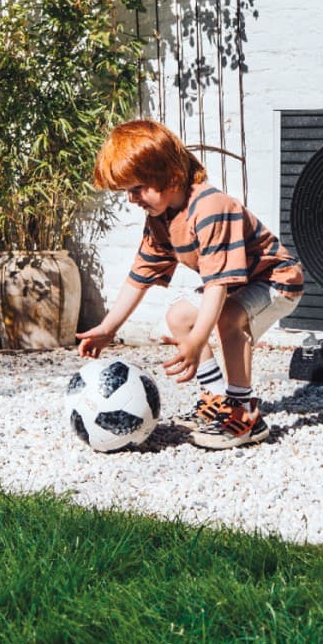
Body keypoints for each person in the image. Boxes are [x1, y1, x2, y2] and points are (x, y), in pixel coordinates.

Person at [76, 119, 304, 449]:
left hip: (276, 281)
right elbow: (140, 276)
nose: (131, 199)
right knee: (179, 317)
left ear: (168, 175)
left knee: (229, 317)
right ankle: (216, 399)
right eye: (127, 191)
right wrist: (108, 327)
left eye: (137, 188)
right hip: (237, 284)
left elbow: (217, 286)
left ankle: (244, 414)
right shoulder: (161, 219)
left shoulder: (211, 207)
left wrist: (198, 341)